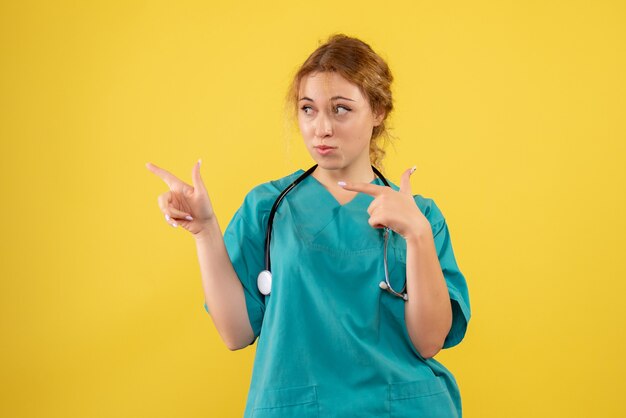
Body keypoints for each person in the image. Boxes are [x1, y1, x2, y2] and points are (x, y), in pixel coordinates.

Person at [146, 34, 470, 418]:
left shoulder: (421, 216)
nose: (322, 128)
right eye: (308, 109)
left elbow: (429, 341)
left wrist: (415, 235)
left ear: (378, 111)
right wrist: (204, 230)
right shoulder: (268, 208)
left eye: (341, 109)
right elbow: (236, 333)